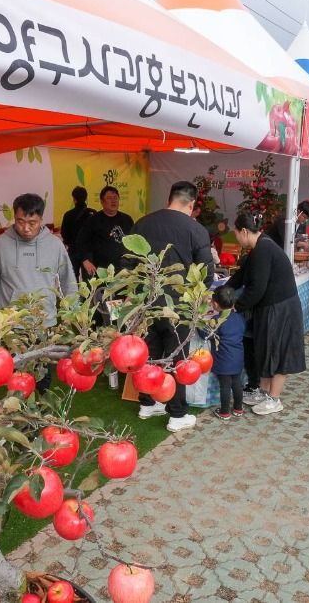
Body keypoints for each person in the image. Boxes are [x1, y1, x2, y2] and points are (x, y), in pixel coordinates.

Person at [132, 181, 214, 432]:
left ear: (170, 198)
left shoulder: (142, 223)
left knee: (149, 355)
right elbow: (206, 274)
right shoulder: (196, 230)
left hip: (146, 304)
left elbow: (127, 264)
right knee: (177, 358)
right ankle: (177, 414)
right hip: (178, 308)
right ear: (191, 204)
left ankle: (148, 403)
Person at [227, 211, 306, 416]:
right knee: (265, 349)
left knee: (278, 352)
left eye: (236, 233)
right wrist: (221, 294)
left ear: (244, 231)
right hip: (270, 307)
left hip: (282, 308)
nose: (236, 238)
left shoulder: (264, 248)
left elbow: (256, 289)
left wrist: (236, 306)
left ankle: (274, 398)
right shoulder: (258, 248)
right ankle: (263, 392)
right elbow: (240, 277)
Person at [0, 194, 76, 326]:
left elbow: (68, 279)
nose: (26, 228)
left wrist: (72, 310)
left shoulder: (55, 245)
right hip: (12, 322)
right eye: (20, 222)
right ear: (14, 218)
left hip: (46, 320)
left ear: (41, 219)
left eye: (32, 223)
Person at [74, 185, 134, 278]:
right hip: (101, 270)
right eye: (109, 198)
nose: (113, 201)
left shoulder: (127, 219)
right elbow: (80, 242)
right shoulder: (93, 220)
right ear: (102, 201)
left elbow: (133, 242)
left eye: (115, 198)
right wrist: (85, 260)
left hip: (123, 270)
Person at [208, 285, 246, 420]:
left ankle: (224, 412)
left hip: (223, 360)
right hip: (238, 358)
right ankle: (238, 408)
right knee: (237, 384)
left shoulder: (218, 321)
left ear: (215, 304)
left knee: (225, 386)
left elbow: (206, 334)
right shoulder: (239, 318)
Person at [60, 186, 94, 281]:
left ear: (74, 199)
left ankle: (75, 296)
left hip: (73, 251)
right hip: (88, 252)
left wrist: (69, 242)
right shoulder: (93, 213)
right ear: (86, 198)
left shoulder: (68, 215)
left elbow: (64, 233)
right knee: (89, 281)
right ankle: (87, 296)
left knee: (72, 280)